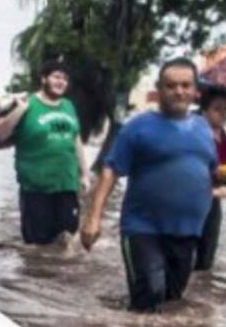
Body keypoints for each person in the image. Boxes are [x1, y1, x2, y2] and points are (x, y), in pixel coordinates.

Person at [80, 57, 217, 313]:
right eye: (171, 85)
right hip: (143, 229)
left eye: (186, 85)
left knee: (173, 301)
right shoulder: (138, 128)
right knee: (150, 296)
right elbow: (111, 171)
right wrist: (93, 218)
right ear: (159, 89)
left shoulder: (203, 128)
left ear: (195, 90)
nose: (179, 91)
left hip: (188, 232)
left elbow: (209, 172)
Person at [0, 59, 88, 246]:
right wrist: (19, 110)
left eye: (65, 79)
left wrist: (84, 173)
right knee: (37, 247)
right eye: (56, 77)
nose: (61, 82)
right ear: (44, 79)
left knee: (69, 240)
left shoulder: (68, 106)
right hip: (35, 188)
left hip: (67, 184)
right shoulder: (26, 103)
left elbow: (75, 139)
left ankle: (63, 276)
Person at [197, 86, 226, 271]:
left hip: (214, 204)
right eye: (217, 108)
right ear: (204, 110)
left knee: (207, 254)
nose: (223, 114)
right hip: (191, 199)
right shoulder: (193, 136)